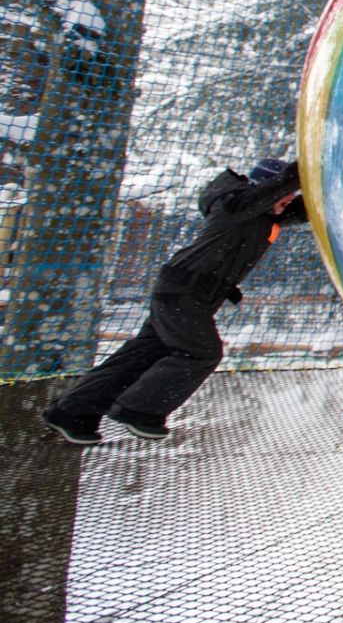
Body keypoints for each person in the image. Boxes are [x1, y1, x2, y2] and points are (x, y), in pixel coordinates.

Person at [41, 158, 304, 444]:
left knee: (142, 355)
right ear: (265, 188)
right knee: (201, 352)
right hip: (183, 293)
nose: (287, 203)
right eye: (284, 196)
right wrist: (310, 161)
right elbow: (281, 183)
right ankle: (139, 410)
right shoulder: (236, 204)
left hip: (186, 293)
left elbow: (303, 208)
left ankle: (72, 414)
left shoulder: (262, 214)